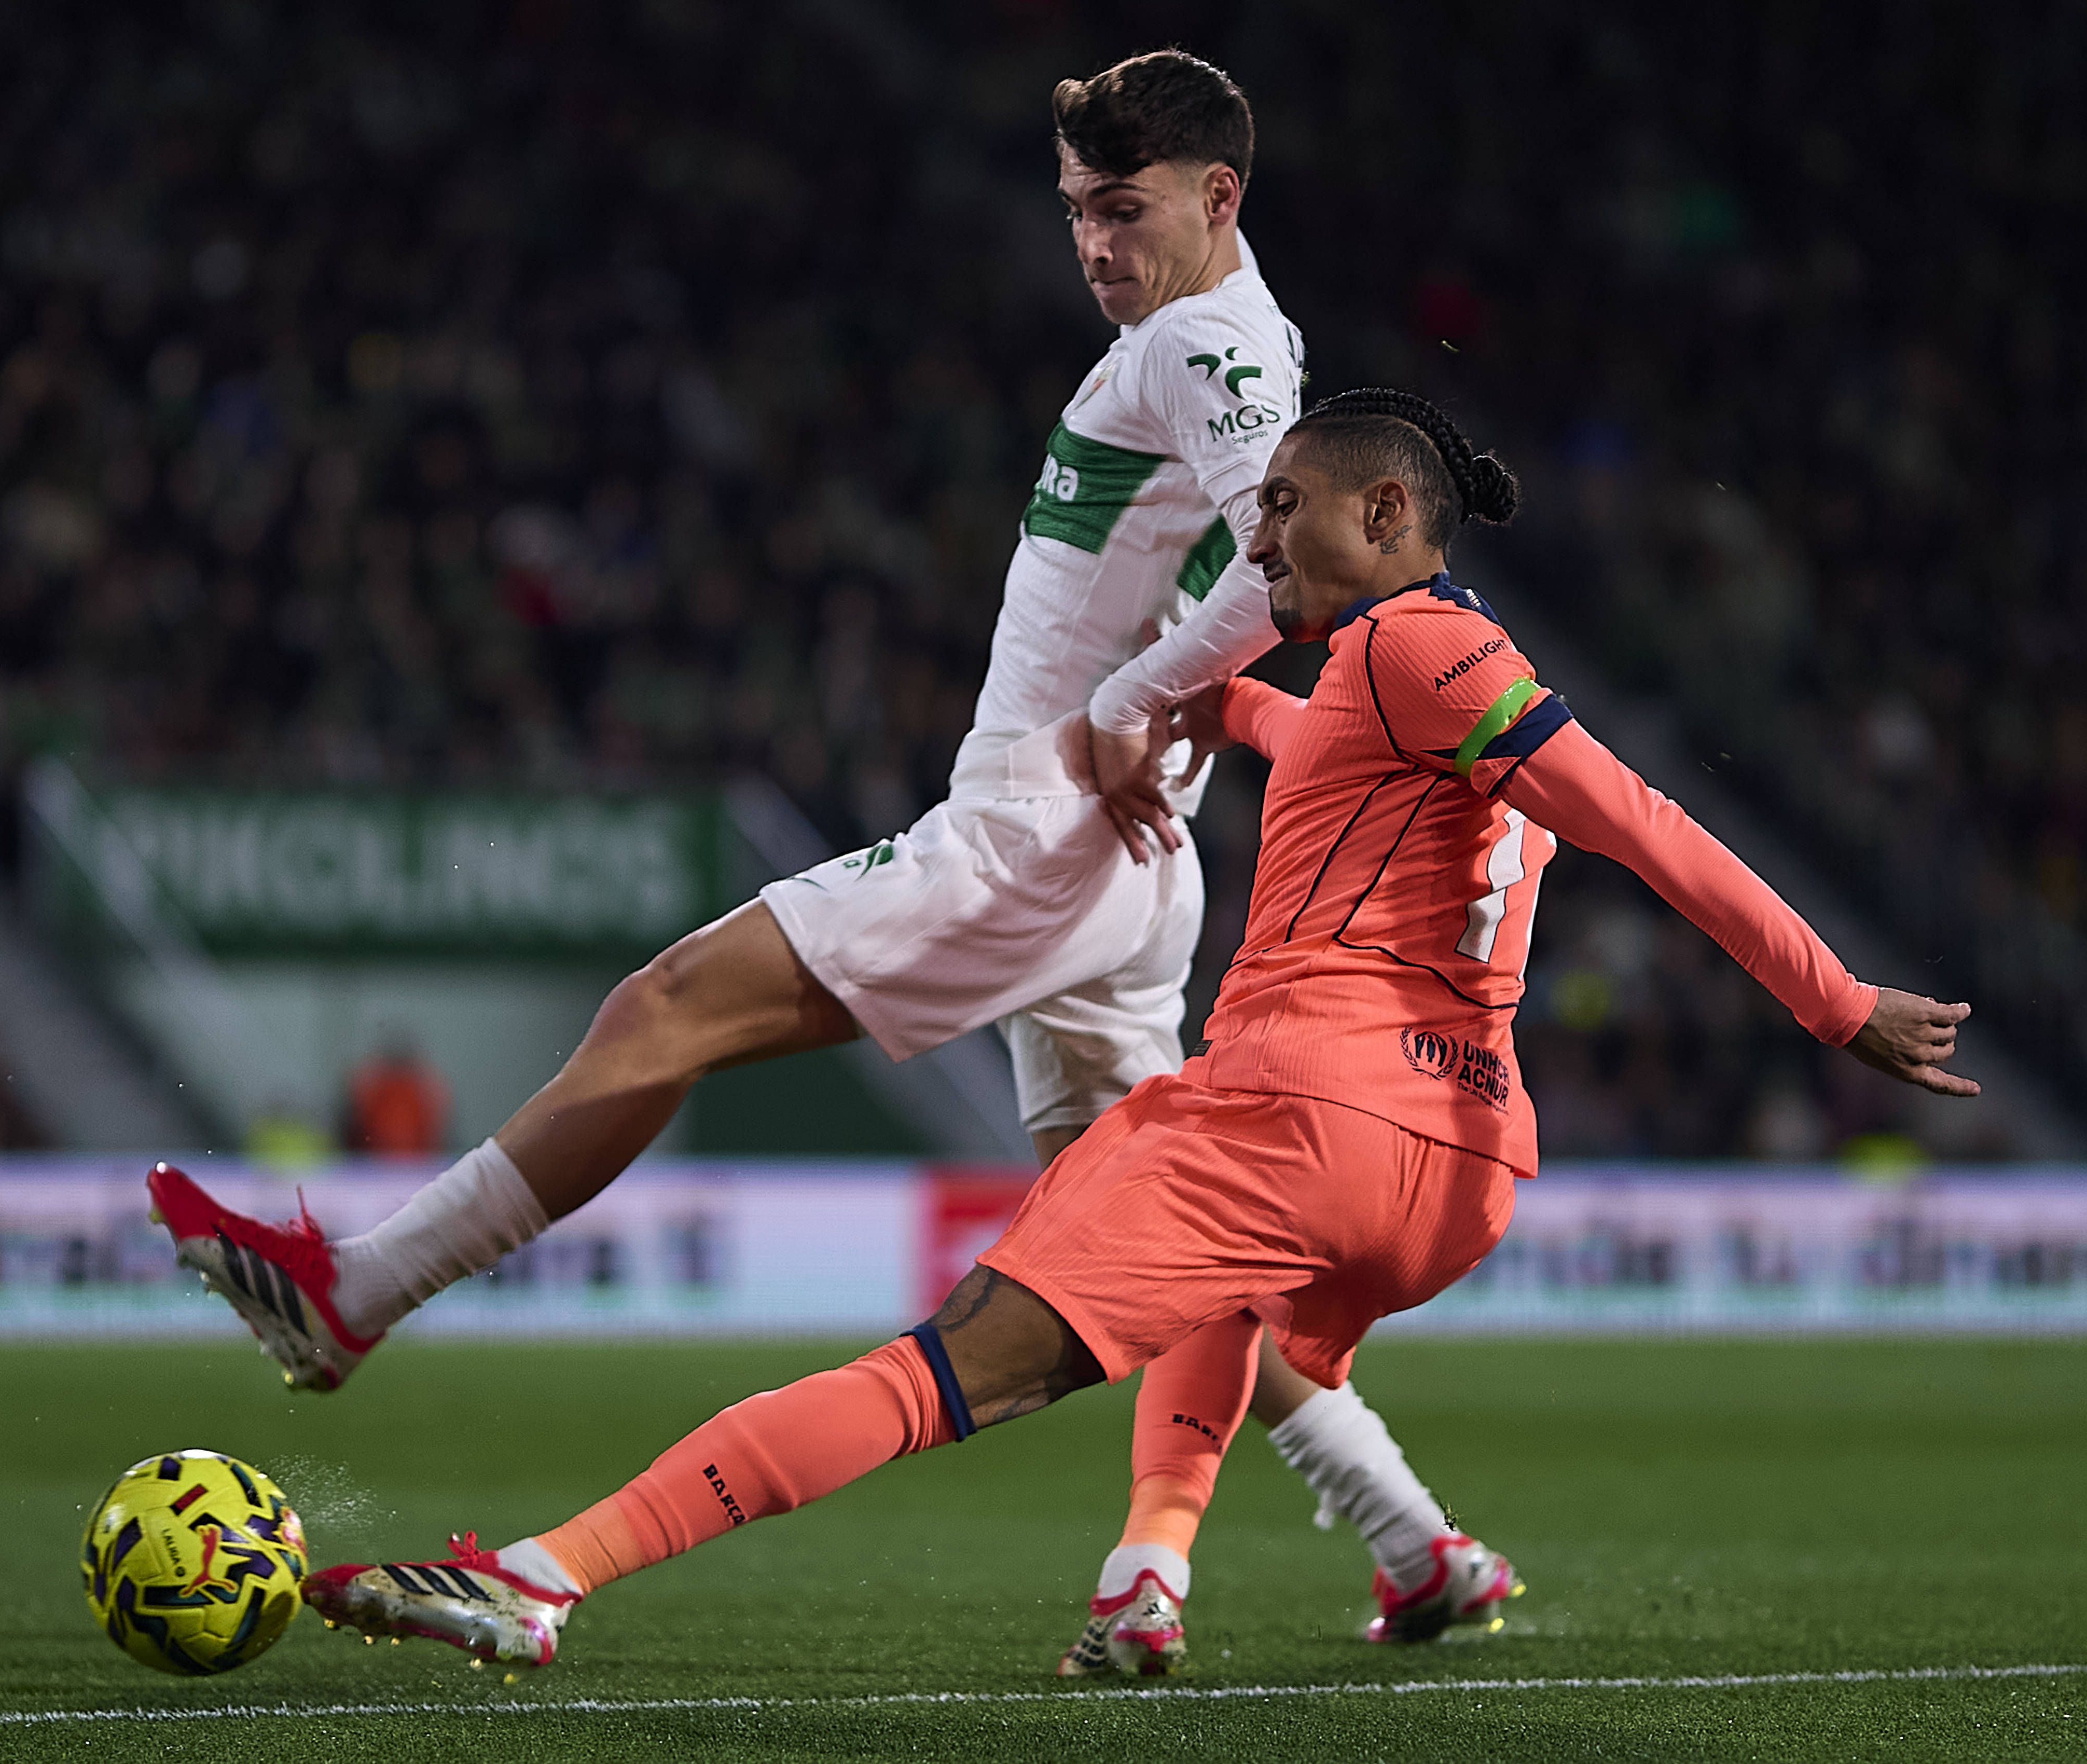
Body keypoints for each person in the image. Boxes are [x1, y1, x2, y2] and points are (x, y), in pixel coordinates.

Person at [145, 51, 1513, 1665]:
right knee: (1157, 1253)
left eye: (1123, 209)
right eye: (1074, 208)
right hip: (1121, 869)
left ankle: (356, 1295)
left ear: (1219, 198)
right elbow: (1259, 559)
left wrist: (1133, 702)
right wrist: (1160, 704)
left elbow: (1288, 571)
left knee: (670, 1006)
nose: (1091, 242)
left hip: (1040, 832)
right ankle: (1410, 1538)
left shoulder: (1211, 344)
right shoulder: (1225, 338)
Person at [289, 390, 1980, 1673]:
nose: (1259, 548)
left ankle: (540, 1576)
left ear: (1390, 509)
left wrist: (1836, 1005)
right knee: (1236, 1311)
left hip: (1305, 1110)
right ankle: (1196, 1568)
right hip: (1460, 1169)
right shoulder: (1410, 686)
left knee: (943, 1371)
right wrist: (1188, 697)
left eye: (1286, 513)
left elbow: (1641, 818)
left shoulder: (1421, 646)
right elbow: (1326, 741)